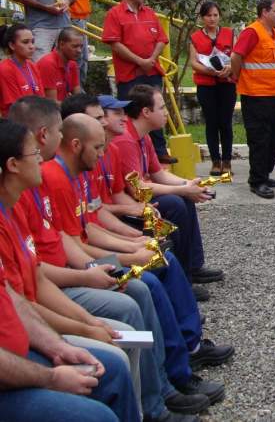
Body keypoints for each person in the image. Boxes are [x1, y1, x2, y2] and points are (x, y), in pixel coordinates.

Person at [7, 97, 212, 421]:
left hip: (67, 274)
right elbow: (44, 272)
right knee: (139, 293)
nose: (108, 122)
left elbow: (79, 228)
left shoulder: (37, 186)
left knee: (159, 263)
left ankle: (181, 360)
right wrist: (93, 278)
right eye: (101, 118)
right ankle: (161, 393)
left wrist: (132, 243)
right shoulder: (48, 180)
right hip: (67, 277)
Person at [111, 85, 224, 287]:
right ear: (146, 112)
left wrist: (188, 184)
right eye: (162, 108)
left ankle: (193, 266)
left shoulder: (143, 136)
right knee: (175, 203)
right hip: (133, 201)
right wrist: (182, 190)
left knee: (184, 200)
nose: (166, 113)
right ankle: (182, 278)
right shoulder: (126, 141)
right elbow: (138, 189)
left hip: (144, 195)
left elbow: (158, 173)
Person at [0, 266, 139, 422]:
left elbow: (10, 295)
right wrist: (51, 379)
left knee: (114, 369)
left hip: (19, 355)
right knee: (98, 417)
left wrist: (59, 347)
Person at [101, 0, 174, 164]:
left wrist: (151, 59)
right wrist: (139, 61)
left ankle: (159, 151)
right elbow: (115, 43)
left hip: (152, 71)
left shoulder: (149, 13)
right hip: (129, 74)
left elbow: (161, 39)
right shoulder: (115, 14)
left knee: (156, 109)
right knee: (131, 113)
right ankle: (129, 151)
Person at [230, 0, 275, 199]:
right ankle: (257, 180)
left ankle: (264, 173)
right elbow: (236, 56)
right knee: (259, 139)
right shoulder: (252, 32)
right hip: (256, 95)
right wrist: (236, 76)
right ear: (264, 12)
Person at [188, 1, 235, 176]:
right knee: (212, 123)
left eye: (215, 15)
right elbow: (193, 62)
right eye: (208, 15)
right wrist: (210, 71)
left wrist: (229, 68)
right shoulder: (195, 37)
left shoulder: (230, 34)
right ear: (202, 17)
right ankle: (215, 160)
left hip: (227, 84)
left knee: (226, 123)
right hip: (206, 85)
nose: (212, 19)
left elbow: (236, 56)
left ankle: (227, 160)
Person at [0, 23, 45, 115]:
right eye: (25, 42)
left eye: (32, 42)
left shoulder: (32, 66)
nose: (31, 46)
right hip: (17, 122)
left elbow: (42, 98)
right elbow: (16, 108)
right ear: (12, 45)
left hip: (36, 116)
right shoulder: (5, 69)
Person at [38, 27, 82, 102]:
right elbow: (51, 104)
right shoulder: (48, 64)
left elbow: (78, 97)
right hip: (48, 111)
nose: (79, 50)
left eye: (81, 46)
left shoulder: (72, 64)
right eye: (75, 46)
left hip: (63, 108)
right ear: (61, 44)